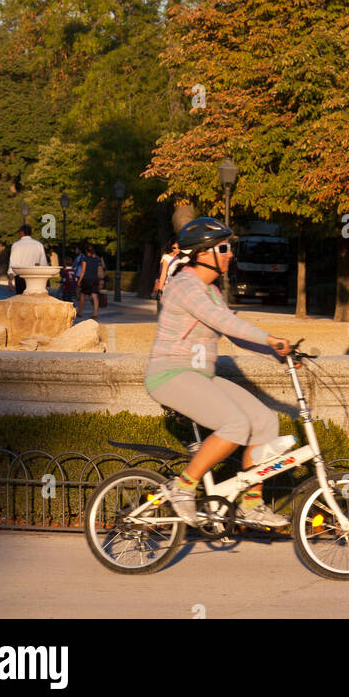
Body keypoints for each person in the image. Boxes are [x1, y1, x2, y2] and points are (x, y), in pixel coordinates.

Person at [145, 216, 292, 529]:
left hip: (200, 376)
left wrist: (276, 352)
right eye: (224, 248)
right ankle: (183, 486)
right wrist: (269, 337)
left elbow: (234, 333)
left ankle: (251, 504)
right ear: (203, 253)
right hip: (170, 374)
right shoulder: (185, 284)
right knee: (236, 423)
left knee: (265, 421)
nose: (230, 254)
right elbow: (226, 323)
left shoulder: (210, 291)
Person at [7, 225, 48, 294]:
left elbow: (12, 264)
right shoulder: (38, 245)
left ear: (22, 233)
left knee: (22, 300)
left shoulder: (16, 245)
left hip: (21, 277)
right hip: (35, 277)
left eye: (19, 232)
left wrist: (10, 281)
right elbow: (43, 264)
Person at [76, 244, 105, 319]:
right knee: (95, 297)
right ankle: (95, 313)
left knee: (82, 296)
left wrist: (79, 280)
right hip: (95, 279)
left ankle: (80, 312)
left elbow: (83, 271)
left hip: (86, 279)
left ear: (86, 251)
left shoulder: (85, 259)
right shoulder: (97, 259)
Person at [152, 240, 180, 313]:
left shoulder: (186, 257)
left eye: (178, 247)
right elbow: (163, 273)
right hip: (169, 286)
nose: (177, 250)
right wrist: (160, 290)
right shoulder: (166, 257)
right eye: (174, 248)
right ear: (171, 247)